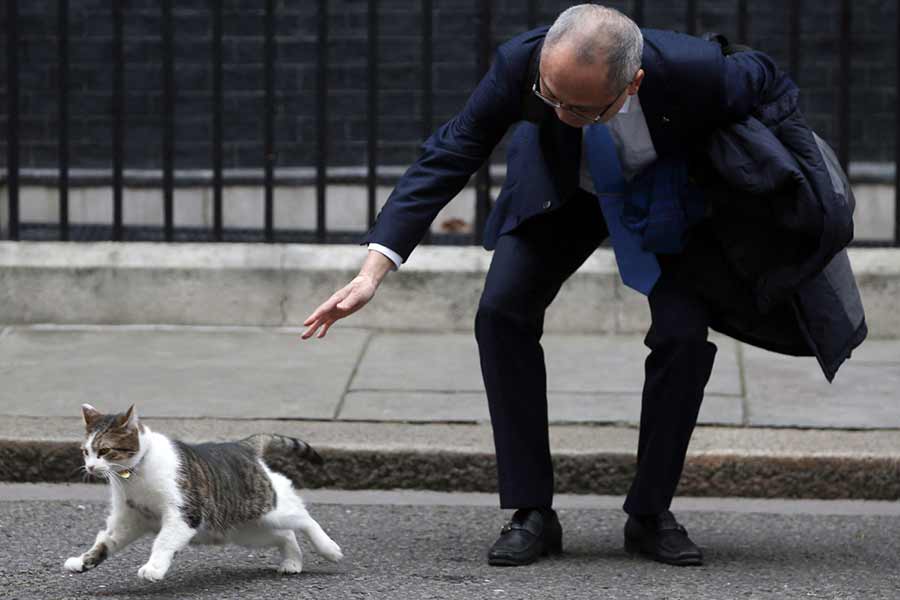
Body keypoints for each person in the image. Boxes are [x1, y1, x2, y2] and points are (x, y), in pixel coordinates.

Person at [302, 4, 865, 568]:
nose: (562, 111)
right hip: (562, 195)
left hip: (663, 198)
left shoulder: (698, 71)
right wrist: (373, 270)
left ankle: (650, 515)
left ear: (632, 82)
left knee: (683, 336)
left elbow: (768, 79)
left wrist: (796, 181)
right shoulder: (521, 63)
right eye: (551, 97)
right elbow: (452, 150)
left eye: (581, 106)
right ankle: (531, 512)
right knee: (500, 313)